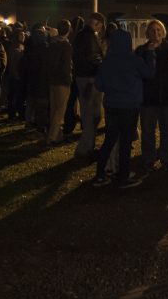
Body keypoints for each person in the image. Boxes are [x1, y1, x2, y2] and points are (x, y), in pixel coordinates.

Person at [92, 28, 156, 188]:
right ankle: (123, 176)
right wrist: (150, 55)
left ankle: (100, 175)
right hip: (130, 105)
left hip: (111, 105)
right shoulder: (133, 60)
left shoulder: (107, 61)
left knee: (110, 139)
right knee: (126, 141)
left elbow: (99, 85)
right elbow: (149, 73)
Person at [137, 19, 168, 172]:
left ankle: (166, 159)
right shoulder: (141, 51)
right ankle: (149, 159)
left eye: (159, 30)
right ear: (147, 33)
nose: (156, 33)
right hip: (148, 100)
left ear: (163, 33)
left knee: (167, 131)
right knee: (148, 132)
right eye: (152, 30)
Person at [73, 12, 106, 158]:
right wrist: (103, 67)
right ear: (97, 23)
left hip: (82, 77)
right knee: (91, 115)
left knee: (89, 114)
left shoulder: (80, 36)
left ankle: (88, 146)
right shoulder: (90, 37)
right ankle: (85, 148)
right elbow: (94, 58)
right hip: (90, 79)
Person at [45, 19, 74, 144]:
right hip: (62, 81)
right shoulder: (66, 46)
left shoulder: (52, 44)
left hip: (52, 80)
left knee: (54, 109)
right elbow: (66, 66)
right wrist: (69, 79)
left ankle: (57, 135)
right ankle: (52, 137)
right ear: (68, 30)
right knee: (60, 110)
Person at [4, 29, 26, 121]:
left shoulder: (22, 45)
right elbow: (12, 62)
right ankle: (12, 114)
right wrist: (15, 74)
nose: (23, 36)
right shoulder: (13, 47)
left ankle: (19, 113)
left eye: (24, 35)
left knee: (19, 96)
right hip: (15, 76)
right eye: (21, 35)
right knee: (14, 96)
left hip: (20, 75)